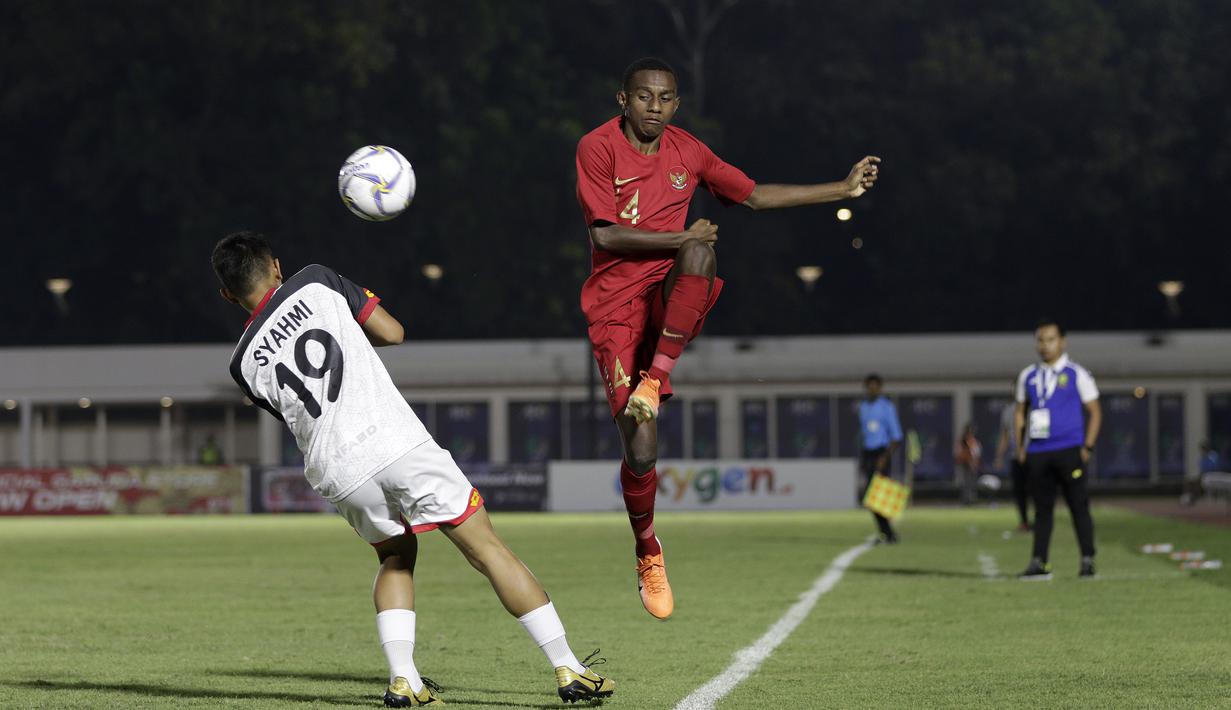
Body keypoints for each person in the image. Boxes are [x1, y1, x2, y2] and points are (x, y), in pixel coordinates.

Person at [211, 232, 612, 707]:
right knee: (487, 549)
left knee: (395, 558)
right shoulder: (315, 281)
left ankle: (405, 680)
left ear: (228, 294)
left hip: (338, 469)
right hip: (394, 441)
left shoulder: (241, 365)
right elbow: (392, 332)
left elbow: (298, 411)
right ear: (276, 266)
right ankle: (567, 667)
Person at [574, 57, 880, 618]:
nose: (655, 108)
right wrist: (679, 233)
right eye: (644, 97)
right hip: (616, 309)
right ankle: (648, 548)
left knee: (701, 251)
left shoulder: (690, 152)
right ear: (623, 100)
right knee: (641, 452)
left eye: (665, 99)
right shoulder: (596, 147)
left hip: (667, 293)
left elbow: (756, 196)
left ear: (676, 104)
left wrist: (841, 188)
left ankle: (656, 378)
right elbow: (607, 233)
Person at [1014, 319, 1101, 580]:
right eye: (1040, 340)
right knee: (1041, 510)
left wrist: (1087, 447)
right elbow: (1020, 413)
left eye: (1050, 339)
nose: (1045, 345)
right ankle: (1039, 562)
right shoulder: (1028, 375)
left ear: (1062, 341)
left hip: (1070, 450)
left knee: (1078, 506)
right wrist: (1021, 447)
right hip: (1039, 452)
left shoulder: (1077, 373)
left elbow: (1095, 411)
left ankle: (1087, 560)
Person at [858, 374, 902, 542]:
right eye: (869, 386)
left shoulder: (887, 407)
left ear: (880, 388)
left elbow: (896, 436)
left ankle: (888, 533)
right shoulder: (863, 407)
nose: (872, 389)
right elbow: (865, 433)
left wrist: (885, 456)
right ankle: (887, 532)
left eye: (875, 386)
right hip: (867, 453)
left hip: (881, 453)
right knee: (870, 497)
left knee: (876, 496)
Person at [993, 390, 1031, 530]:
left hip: (1035, 455)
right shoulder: (1009, 411)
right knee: (1019, 490)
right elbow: (1005, 435)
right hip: (1016, 456)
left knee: (1038, 489)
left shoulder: (1036, 407)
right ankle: (1024, 521)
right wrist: (999, 456)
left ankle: (1041, 521)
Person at [954, 422, 981, 505]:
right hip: (966, 462)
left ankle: (971, 499)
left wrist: (974, 462)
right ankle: (967, 500)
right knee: (967, 482)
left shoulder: (971, 439)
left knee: (971, 482)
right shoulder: (964, 440)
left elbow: (976, 452)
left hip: (970, 462)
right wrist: (971, 461)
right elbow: (963, 452)